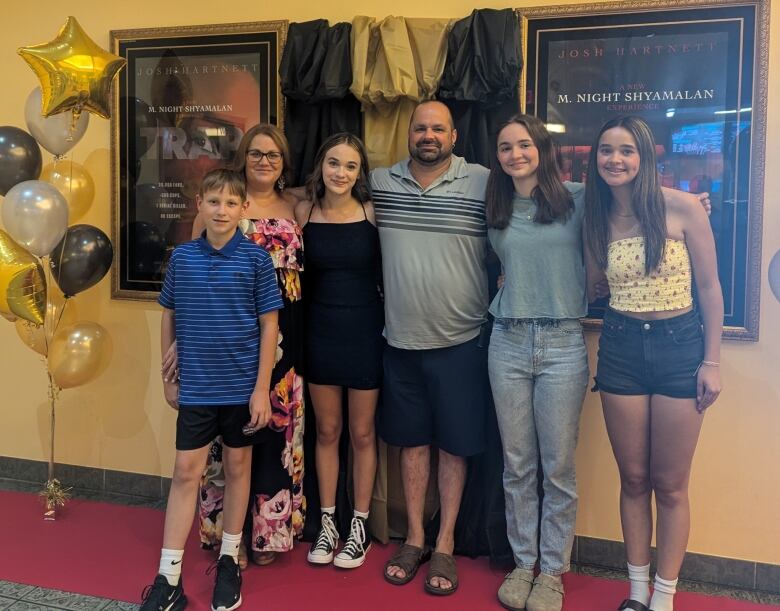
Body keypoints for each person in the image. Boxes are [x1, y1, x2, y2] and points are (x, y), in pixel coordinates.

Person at [584, 116, 723, 611]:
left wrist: (711, 360)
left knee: (669, 483)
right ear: (594, 158)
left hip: (680, 346)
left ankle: (664, 597)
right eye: (605, 150)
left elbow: (709, 289)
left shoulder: (683, 207)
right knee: (635, 479)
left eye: (626, 150)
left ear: (646, 157)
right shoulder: (595, 215)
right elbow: (592, 283)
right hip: (621, 347)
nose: (614, 160)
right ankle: (637, 593)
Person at [142, 168, 282, 611]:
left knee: (239, 470)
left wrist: (261, 389)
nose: (221, 210)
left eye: (231, 203)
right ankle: (168, 578)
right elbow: (169, 313)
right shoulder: (183, 258)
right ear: (199, 204)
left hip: (241, 388)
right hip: (198, 388)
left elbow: (269, 324)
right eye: (213, 201)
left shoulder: (256, 260)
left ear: (243, 210)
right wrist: (169, 376)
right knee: (187, 472)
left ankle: (228, 563)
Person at [372, 100, 490, 595]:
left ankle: (444, 544)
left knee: (455, 446)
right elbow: (312, 197)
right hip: (399, 341)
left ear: (453, 136)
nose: (428, 135)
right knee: (412, 444)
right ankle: (415, 538)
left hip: (462, 341)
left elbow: (547, 199)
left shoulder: (484, 181)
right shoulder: (379, 183)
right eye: (420, 127)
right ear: (409, 133)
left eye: (437, 128)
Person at [486, 115, 590, 611]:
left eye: (524, 144)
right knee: (517, 465)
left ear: (542, 148)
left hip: (564, 342)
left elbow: (633, 211)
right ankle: (522, 563)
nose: (515, 154)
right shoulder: (496, 205)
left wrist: (688, 202)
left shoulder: (577, 198)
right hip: (506, 341)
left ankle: (552, 572)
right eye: (505, 147)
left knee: (558, 468)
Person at [190, 124, 306, 569]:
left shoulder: (297, 204)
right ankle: (228, 539)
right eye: (257, 153)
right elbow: (193, 280)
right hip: (230, 336)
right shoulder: (222, 204)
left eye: (274, 155)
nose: (264, 161)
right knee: (230, 439)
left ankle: (268, 533)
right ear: (244, 156)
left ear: (284, 162)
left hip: (286, 340)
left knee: (275, 433)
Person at [295, 133, 383, 569]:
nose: (341, 173)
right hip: (320, 333)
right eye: (334, 163)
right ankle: (328, 522)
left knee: (362, 434)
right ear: (320, 166)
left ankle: (359, 527)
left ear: (360, 172)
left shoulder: (373, 211)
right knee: (326, 432)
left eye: (350, 166)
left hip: (366, 333)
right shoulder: (303, 210)